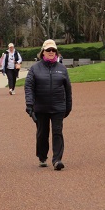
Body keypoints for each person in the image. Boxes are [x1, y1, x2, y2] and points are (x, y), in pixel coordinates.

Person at [24, 39, 72, 170]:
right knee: (42, 134)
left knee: (57, 132)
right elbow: (28, 87)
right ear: (43, 52)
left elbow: (68, 89)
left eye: (53, 50)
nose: (51, 52)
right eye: (48, 50)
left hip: (58, 107)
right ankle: (42, 157)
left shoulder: (62, 69)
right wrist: (29, 104)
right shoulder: (35, 68)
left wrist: (68, 106)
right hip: (41, 107)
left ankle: (57, 160)